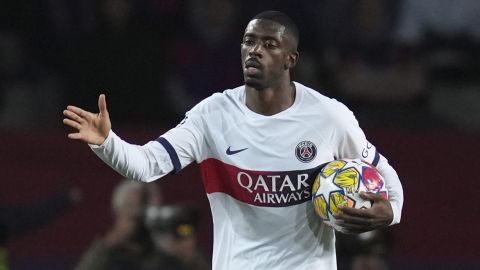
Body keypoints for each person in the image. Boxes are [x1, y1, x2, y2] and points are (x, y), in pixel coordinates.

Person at [63, 10, 404, 270]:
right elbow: (147, 165)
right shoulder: (213, 115)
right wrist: (106, 142)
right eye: (248, 42)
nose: (254, 51)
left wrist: (390, 210)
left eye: (269, 45)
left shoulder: (329, 117)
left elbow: (383, 172)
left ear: (291, 59)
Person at [73, 179, 182, 270]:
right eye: (131, 207)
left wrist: (183, 256)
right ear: (117, 211)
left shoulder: (166, 250)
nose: (138, 215)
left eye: (146, 209)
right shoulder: (105, 250)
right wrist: (109, 244)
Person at [145, 204, 211, 270]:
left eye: (190, 236)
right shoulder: (155, 265)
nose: (188, 243)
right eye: (178, 238)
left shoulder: (209, 262)